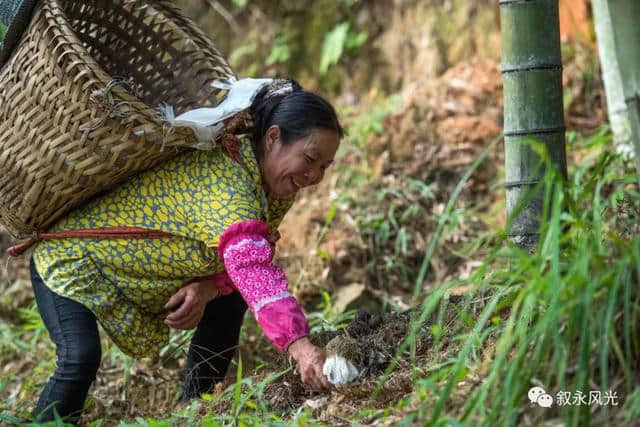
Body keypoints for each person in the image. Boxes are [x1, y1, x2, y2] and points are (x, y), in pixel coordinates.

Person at [29, 79, 342, 423]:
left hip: (132, 272)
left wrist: (210, 286)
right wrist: (299, 346)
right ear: (273, 138)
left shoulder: (276, 185)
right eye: (310, 158)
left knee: (232, 294)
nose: (314, 175)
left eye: (325, 167)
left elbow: (250, 257)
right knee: (80, 357)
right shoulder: (228, 183)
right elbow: (252, 268)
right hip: (71, 258)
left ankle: (196, 410)